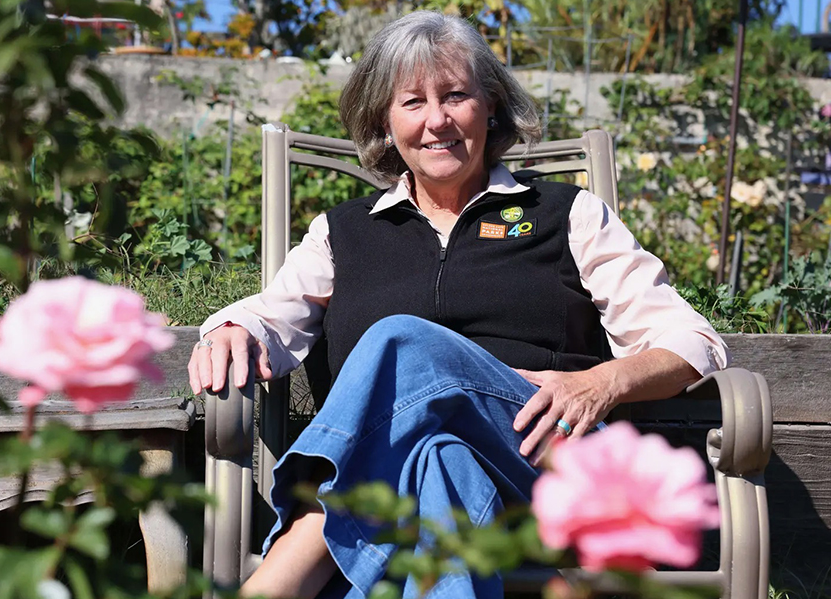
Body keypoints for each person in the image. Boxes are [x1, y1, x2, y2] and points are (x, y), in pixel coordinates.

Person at [187, 10, 728, 599]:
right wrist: (234, 328)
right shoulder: (342, 234)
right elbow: (272, 315)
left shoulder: (567, 215)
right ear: (385, 121)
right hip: (409, 488)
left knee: (403, 343)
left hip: (541, 465)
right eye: (412, 102)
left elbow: (691, 341)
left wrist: (599, 382)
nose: (437, 121)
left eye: (455, 96)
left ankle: (305, 541)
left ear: (490, 104)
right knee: (440, 458)